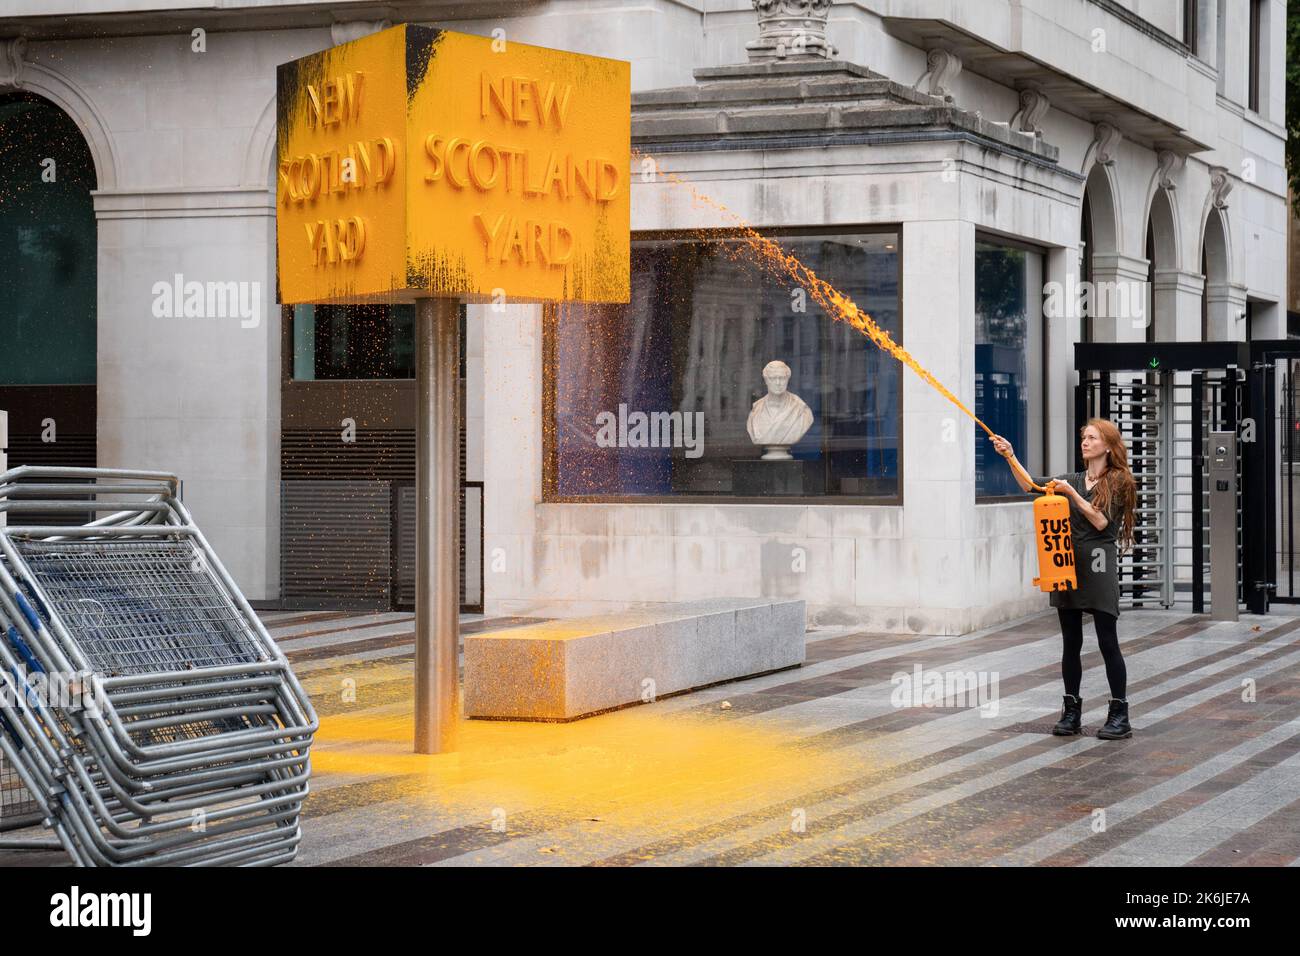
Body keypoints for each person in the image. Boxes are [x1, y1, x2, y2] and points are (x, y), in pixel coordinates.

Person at [990, 420, 1138, 740]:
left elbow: (1101, 521)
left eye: (1092, 438)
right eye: (1084, 437)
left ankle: (1119, 714)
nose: (1085, 442)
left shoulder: (1119, 480)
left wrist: (1071, 493)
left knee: (1107, 640)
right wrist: (1010, 456)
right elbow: (1031, 485)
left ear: (1108, 446)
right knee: (1071, 642)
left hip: (1097, 564)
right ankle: (1071, 711)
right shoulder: (1073, 478)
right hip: (1066, 565)